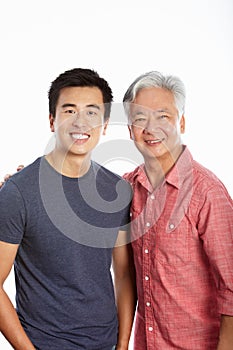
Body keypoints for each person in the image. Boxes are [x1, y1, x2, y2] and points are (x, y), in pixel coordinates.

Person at [0, 68, 136, 350]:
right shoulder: (18, 192)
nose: (80, 122)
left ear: (105, 123)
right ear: (52, 120)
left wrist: (122, 345)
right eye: (70, 111)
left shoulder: (116, 191)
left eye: (91, 112)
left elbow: (123, 274)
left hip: (107, 344)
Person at [122, 71, 233, 349]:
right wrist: (32, 180)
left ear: (180, 122)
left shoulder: (207, 192)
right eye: (140, 119)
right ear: (129, 129)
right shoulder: (127, 188)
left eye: (163, 116)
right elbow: (80, 190)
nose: (151, 128)